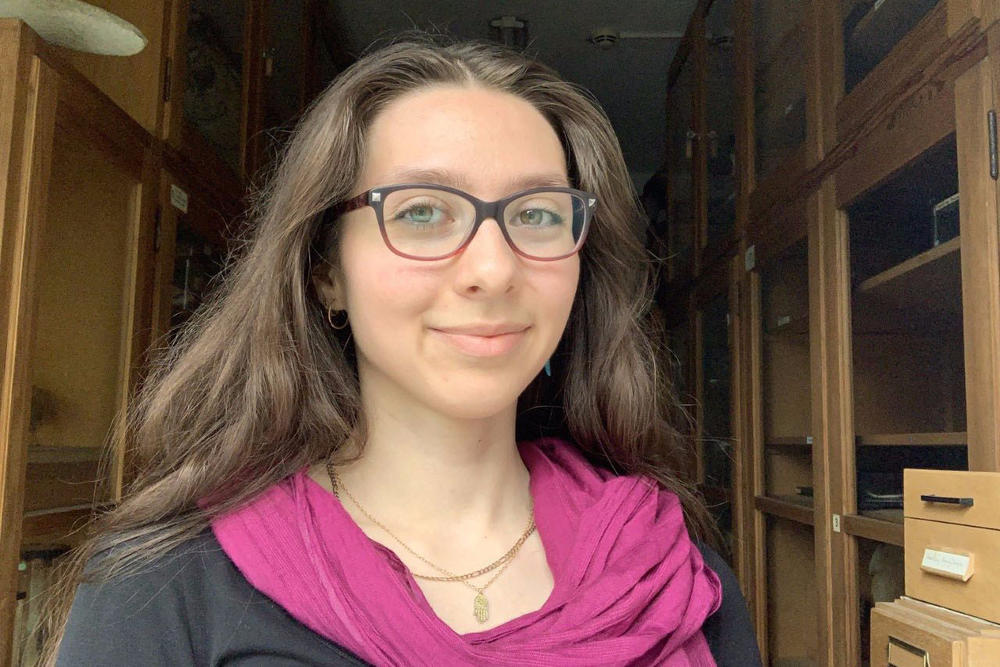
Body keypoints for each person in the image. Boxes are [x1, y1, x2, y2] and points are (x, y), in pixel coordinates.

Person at [47, 34, 761, 666]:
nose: (493, 269)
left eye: (539, 214)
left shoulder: (669, 571)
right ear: (326, 272)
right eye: (422, 211)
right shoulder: (163, 583)